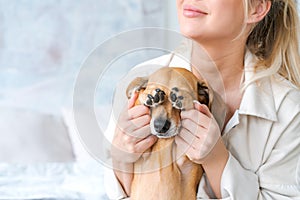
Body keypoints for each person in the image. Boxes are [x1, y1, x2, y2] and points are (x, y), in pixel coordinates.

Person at [105, 0, 300, 199]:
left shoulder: (289, 109)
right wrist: (121, 158)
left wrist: (216, 159)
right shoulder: (140, 86)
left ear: (256, 9)